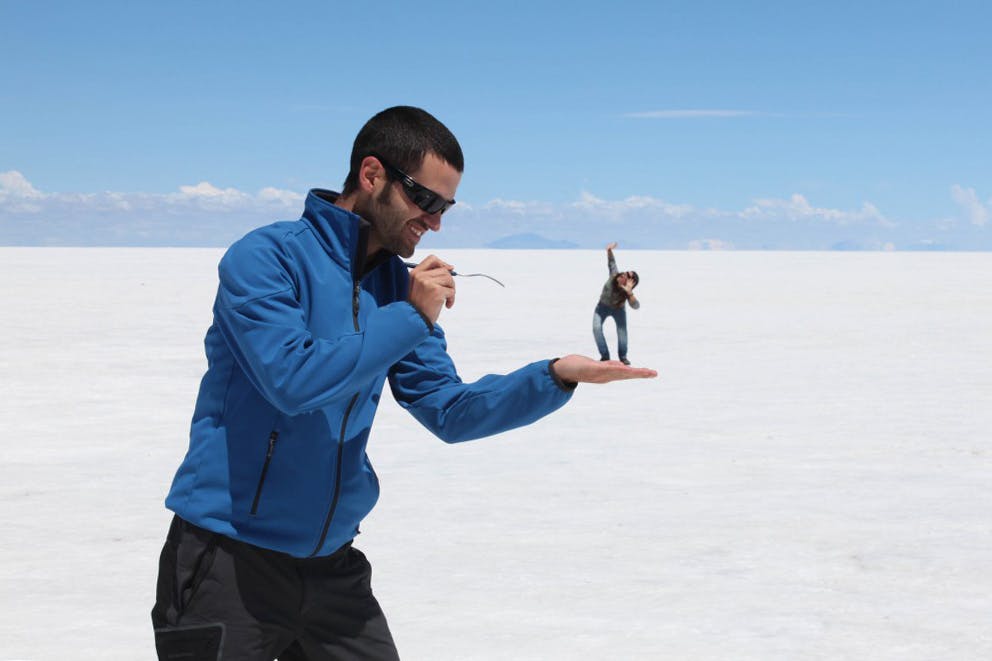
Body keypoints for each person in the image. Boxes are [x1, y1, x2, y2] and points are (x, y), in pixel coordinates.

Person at [151, 106, 657, 661]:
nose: (435, 221)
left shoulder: (398, 287)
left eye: (446, 207)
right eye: (426, 200)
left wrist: (555, 375)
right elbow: (290, 380)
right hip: (228, 561)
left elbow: (450, 410)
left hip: (332, 570)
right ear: (372, 175)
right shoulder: (267, 259)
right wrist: (412, 316)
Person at [592, 242, 640, 365]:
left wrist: (629, 292)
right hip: (601, 307)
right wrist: (609, 250)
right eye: (625, 272)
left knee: (622, 331)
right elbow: (612, 262)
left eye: (627, 276)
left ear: (630, 282)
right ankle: (605, 356)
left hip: (618, 309)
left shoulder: (627, 292)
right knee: (596, 328)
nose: (624, 274)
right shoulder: (614, 275)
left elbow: (636, 306)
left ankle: (623, 357)